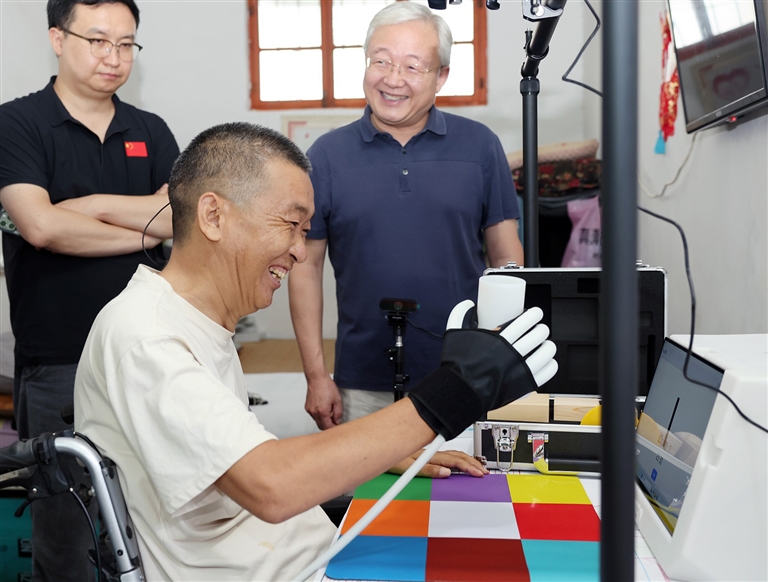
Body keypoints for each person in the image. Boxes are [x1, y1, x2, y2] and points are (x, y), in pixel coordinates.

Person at [73, 122, 555, 581]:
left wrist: (381, 451)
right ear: (214, 216)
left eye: (306, 231)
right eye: (291, 224)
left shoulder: (196, 324)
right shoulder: (147, 336)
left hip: (307, 555)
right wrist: (457, 390)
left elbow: (236, 453)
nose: (300, 252)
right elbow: (270, 484)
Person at [0, 0, 179, 579]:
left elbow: (178, 219)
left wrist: (93, 207)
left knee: (155, 522)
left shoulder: (150, 130)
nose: (114, 57)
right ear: (58, 39)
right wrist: (142, 230)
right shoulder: (16, 123)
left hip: (149, 354)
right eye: (98, 40)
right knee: (65, 534)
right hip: (59, 361)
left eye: (126, 44)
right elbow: (42, 228)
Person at [289, 2, 524, 431]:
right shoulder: (326, 156)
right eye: (381, 61)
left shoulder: (480, 147)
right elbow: (305, 268)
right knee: (370, 479)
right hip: (362, 381)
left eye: (413, 66)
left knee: (465, 476)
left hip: (466, 376)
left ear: (441, 76)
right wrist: (316, 375)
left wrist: (502, 362)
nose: (393, 79)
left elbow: (506, 260)